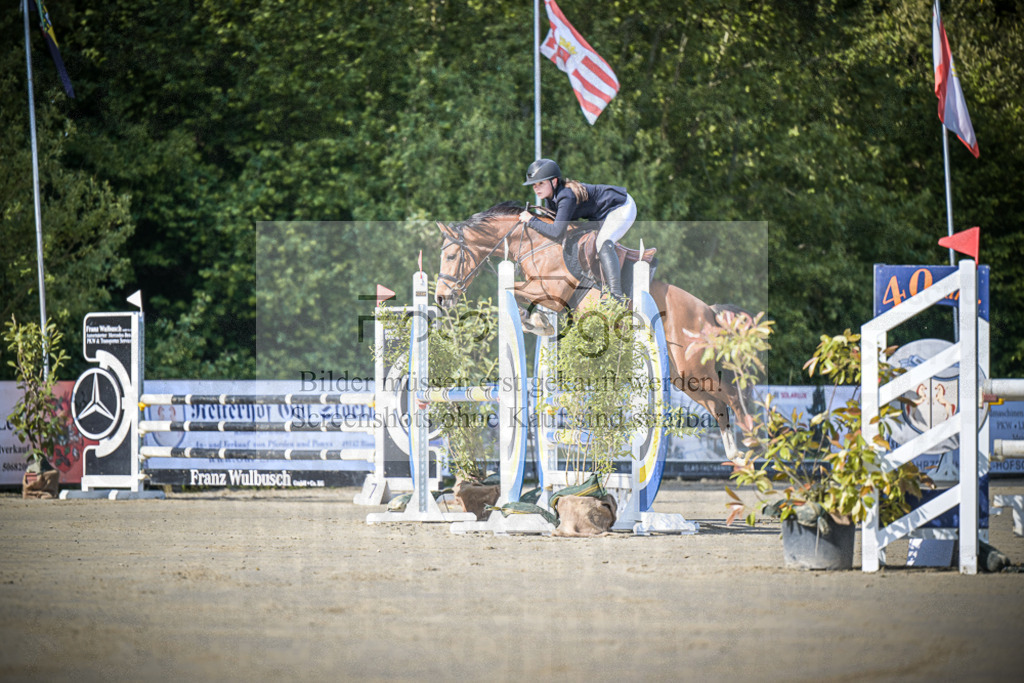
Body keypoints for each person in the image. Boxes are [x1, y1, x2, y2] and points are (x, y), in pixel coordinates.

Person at [518, 158, 636, 302]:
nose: (536, 188)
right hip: (600, 215)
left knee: (603, 242)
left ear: (554, 182)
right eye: (534, 185)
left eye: (541, 183)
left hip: (621, 207)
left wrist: (531, 220)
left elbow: (556, 232)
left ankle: (616, 296)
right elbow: (552, 232)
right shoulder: (550, 198)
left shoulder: (566, 196)